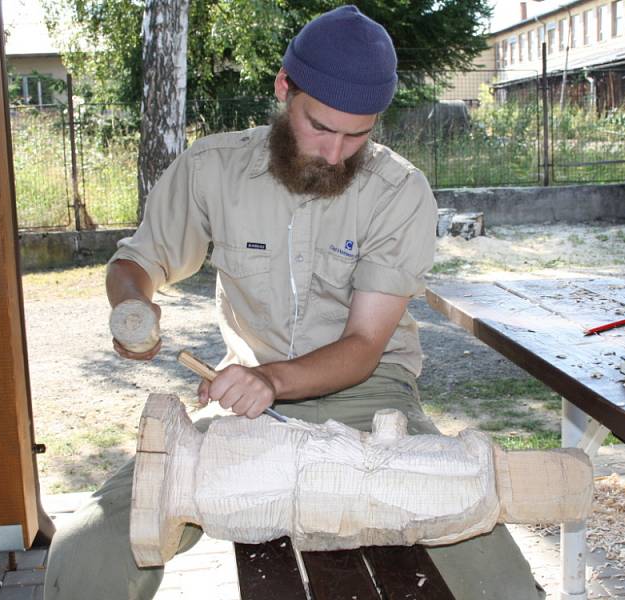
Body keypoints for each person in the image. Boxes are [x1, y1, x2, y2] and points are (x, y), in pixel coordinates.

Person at [45, 7, 544, 600]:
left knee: (498, 582)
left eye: (357, 134)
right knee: (84, 557)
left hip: (370, 400)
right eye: (319, 126)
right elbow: (137, 262)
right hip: (245, 407)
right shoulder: (212, 168)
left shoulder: (399, 191)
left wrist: (272, 381)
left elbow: (362, 349)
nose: (335, 154)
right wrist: (132, 309)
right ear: (285, 88)